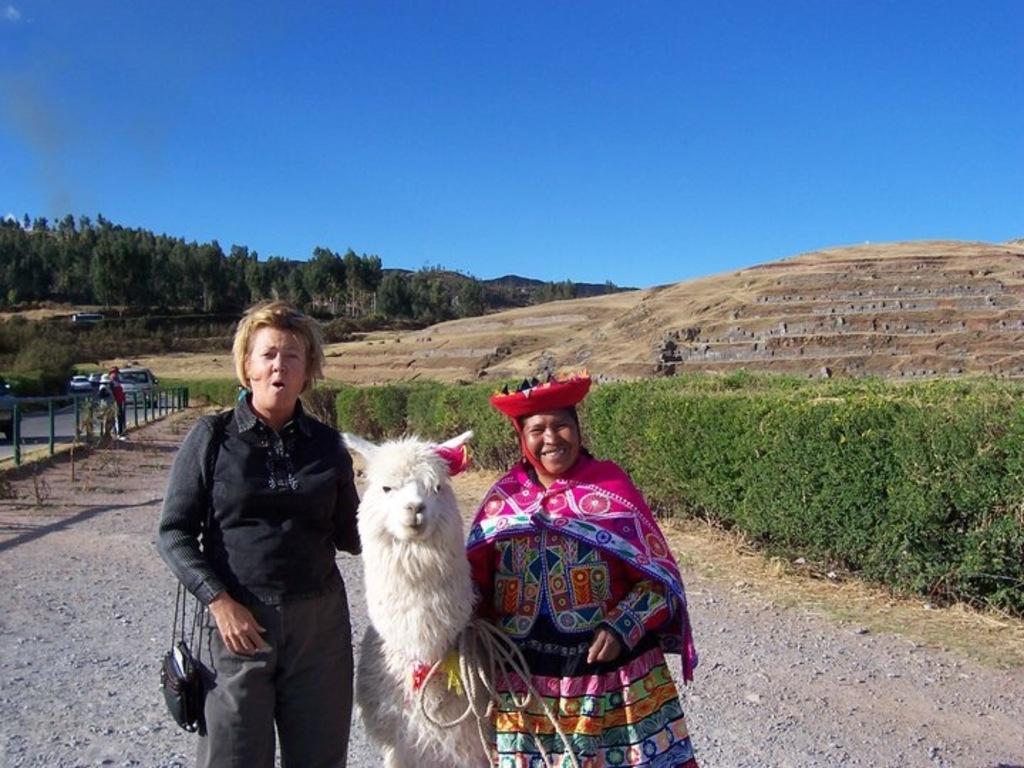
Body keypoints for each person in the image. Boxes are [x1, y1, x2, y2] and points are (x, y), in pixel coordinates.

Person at [156, 300, 361, 768]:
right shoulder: (212, 437)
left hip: (320, 630)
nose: (279, 367)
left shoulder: (329, 446)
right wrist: (218, 601)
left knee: (320, 759)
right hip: (236, 627)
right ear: (247, 365)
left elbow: (353, 536)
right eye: (268, 354)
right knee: (233, 757)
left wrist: (404, 499)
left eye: (292, 356)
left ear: (308, 371)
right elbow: (173, 532)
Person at [467, 372, 700, 767]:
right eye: (537, 429)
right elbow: (470, 588)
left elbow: (661, 583)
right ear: (521, 438)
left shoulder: (611, 489)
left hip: (612, 677)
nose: (551, 438)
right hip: (524, 684)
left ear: (577, 429)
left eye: (561, 425)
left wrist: (623, 625)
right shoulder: (502, 500)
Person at [108, 366, 127, 439]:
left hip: (119, 401)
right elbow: (111, 392)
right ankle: (118, 433)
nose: (116, 374)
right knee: (117, 417)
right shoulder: (111, 382)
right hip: (115, 402)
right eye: (115, 373)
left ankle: (121, 432)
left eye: (117, 373)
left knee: (120, 417)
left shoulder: (117, 381)